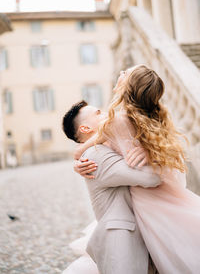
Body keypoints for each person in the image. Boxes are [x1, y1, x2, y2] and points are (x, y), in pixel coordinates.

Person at [74, 64, 200, 274]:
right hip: (169, 195)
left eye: (126, 73)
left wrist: (78, 162)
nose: (121, 73)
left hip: (147, 201)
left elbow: (81, 150)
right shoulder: (155, 118)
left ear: (129, 87)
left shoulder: (116, 121)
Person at [62, 101, 160, 274]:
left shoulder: (105, 146)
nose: (107, 113)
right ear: (85, 129)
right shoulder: (95, 155)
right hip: (122, 240)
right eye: (98, 113)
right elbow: (151, 178)